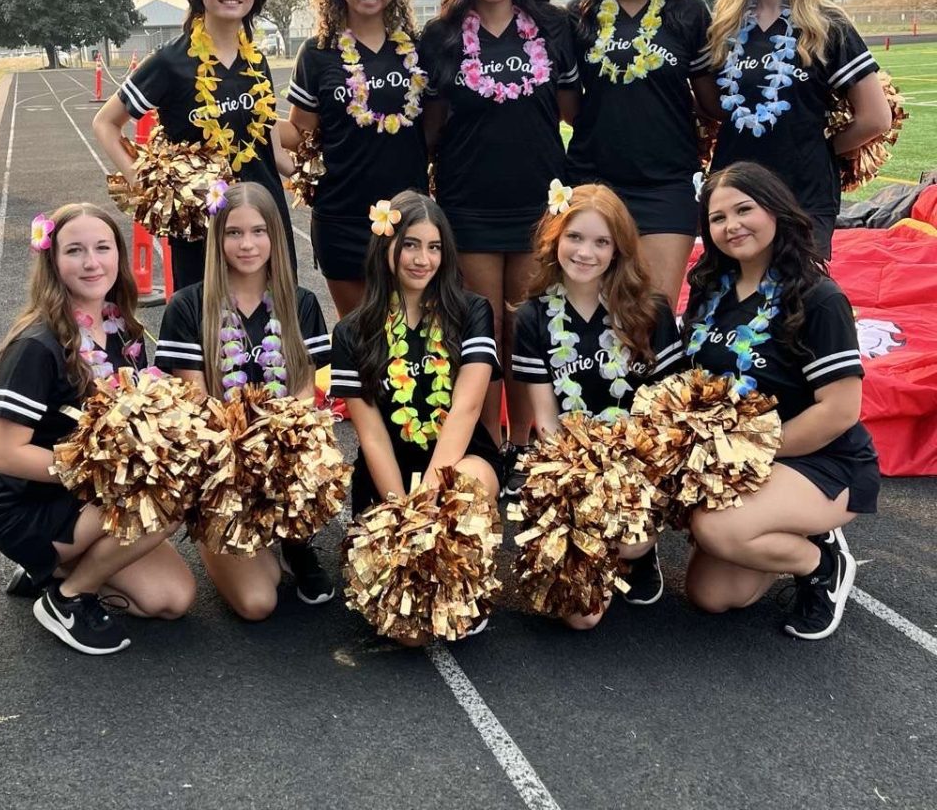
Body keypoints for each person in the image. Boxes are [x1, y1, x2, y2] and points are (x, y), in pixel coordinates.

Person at [0, 204, 196, 655]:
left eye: (102, 248)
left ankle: (51, 570)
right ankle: (66, 595)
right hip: (32, 507)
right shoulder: (36, 345)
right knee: (168, 496)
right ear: (52, 261)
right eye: (74, 250)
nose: (91, 262)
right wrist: (102, 472)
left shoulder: (120, 327)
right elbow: (4, 454)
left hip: (87, 498)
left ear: (118, 255)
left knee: (171, 599)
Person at [683, 162, 879, 641]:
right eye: (717, 218)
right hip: (743, 456)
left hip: (821, 458)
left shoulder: (818, 296)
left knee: (719, 529)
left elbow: (840, 410)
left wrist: (748, 454)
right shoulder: (709, 289)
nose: (732, 226)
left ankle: (821, 563)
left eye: (744, 209)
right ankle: (793, 529)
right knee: (711, 596)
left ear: (775, 209)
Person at [419, 0, 579, 463]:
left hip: (539, 201)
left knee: (527, 325)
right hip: (469, 202)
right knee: (482, 330)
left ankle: (525, 442)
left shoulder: (552, 28)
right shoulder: (441, 36)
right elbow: (432, 125)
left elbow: (570, 111)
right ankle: (487, 444)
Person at [154, 182, 333, 620]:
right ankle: (233, 536)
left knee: (318, 449)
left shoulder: (301, 304)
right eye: (234, 233)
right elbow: (197, 408)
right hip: (222, 467)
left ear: (275, 235)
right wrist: (243, 455)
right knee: (259, 603)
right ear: (218, 239)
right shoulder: (188, 306)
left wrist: (283, 448)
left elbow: (306, 397)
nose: (247, 244)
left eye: (258, 231)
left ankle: (294, 540)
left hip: (279, 460)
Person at [512, 182, 686, 628]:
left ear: (618, 249)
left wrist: (625, 473)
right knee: (580, 618)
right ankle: (609, 549)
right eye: (575, 237)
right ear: (555, 239)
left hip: (637, 465)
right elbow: (547, 421)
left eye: (601, 241)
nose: (585, 252)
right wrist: (580, 480)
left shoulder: (650, 310)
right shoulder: (533, 317)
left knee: (626, 542)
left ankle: (637, 552)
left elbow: (667, 411)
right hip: (570, 466)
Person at [93, 0, 296, 289]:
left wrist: (321, 174)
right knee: (207, 330)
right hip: (203, 226)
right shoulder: (171, 62)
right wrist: (147, 186)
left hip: (265, 220)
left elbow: (271, 147)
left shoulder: (257, 61)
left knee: (273, 324)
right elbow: (106, 123)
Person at [708, 0, 892, 256]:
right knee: (736, 306)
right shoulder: (723, 27)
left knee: (797, 306)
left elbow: (876, 117)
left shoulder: (826, 24)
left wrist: (815, 149)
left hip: (802, 196)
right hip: (734, 197)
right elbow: (713, 108)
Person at [568, 0, 715, 307]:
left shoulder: (688, 12)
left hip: (665, 185)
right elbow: (569, 105)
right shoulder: (579, 15)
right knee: (589, 309)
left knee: (654, 312)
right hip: (593, 182)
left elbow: (710, 102)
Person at [330, 191, 503, 520]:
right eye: (410, 244)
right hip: (387, 473)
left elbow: (466, 408)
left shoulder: (471, 311)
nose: (423, 259)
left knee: (459, 506)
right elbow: (372, 434)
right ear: (386, 246)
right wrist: (402, 510)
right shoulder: (351, 332)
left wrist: (427, 499)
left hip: (462, 459)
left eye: (433, 247)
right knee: (383, 562)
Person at [282, 0, 428, 318]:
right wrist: (249, 121)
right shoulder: (316, 53)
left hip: (410, 217)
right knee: (361, 340)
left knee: (412, 337)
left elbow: (438, 130)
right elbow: (300, 135)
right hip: (342, 219)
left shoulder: (417, 47)